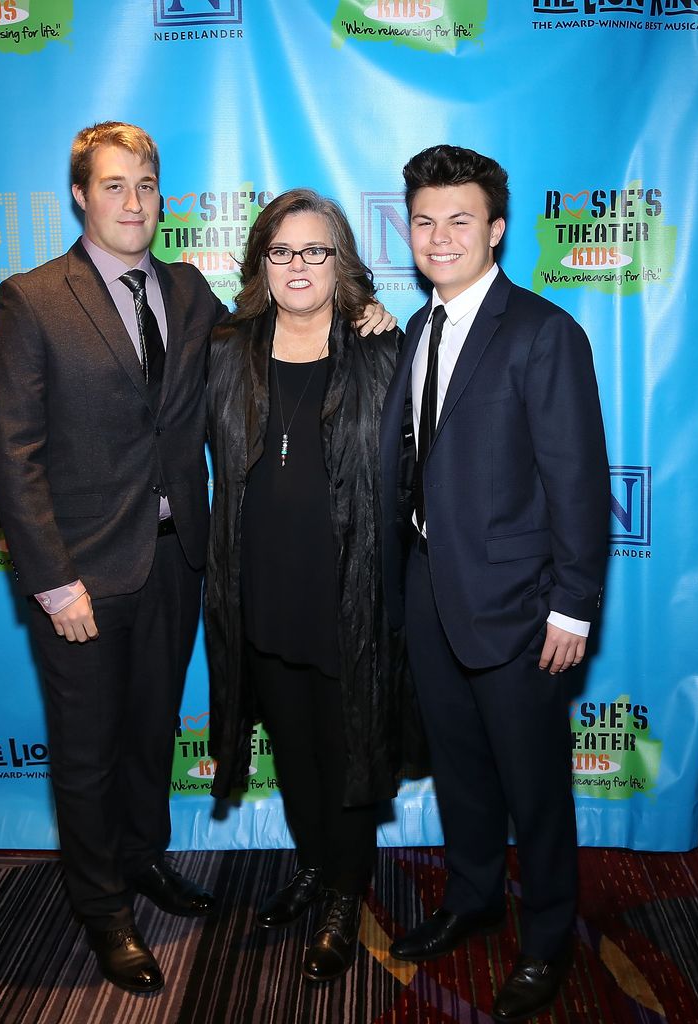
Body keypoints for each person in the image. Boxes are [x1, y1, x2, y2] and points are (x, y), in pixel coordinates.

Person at [0, 124, 393, 994]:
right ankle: (103, 910)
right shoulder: (32, 297)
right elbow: (10, 454)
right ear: (81, 197)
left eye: (146, 186)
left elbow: (283, 325)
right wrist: (54, 584)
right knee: (88, 751)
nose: (133, 202)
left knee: (147, 734)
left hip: (178, 560)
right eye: (114, 186)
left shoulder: (189, 290)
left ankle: (144, 861)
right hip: (82, 575)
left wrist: (365, 308)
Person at [378, 146, 609, 1022]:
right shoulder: (416, 329)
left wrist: (573, 605)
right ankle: (472, 899)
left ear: (497, 229)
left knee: (535, 785)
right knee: (463, 773)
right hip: (431, 594)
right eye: (426, 221)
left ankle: (548, 937)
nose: (440, 237)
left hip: (521, 608)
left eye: (460, 220)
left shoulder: (544, 332)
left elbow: (578, 482)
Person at [204, 188, 410, 983]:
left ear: (341, 263)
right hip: (260, 593)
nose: (298, 265)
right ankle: (314, 867)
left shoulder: (380, 350)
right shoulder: (227, 348)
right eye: (282, 251)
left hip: (350, 598)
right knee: (292, 751)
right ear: (262, 262)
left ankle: (342, 894)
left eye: (315, 250)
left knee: (348, 754)